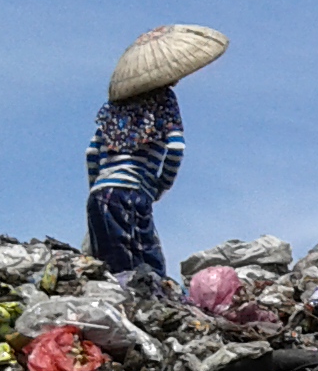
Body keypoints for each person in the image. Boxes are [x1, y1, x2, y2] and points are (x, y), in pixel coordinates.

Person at [87, 24, 228, 280]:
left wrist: (97, 186)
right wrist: (161, 185)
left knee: (109, 270)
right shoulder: (164, 102)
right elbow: (175, 148)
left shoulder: (112, 109)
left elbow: (91, 153)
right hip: (132, 194)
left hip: (99, 196)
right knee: (145, 269)